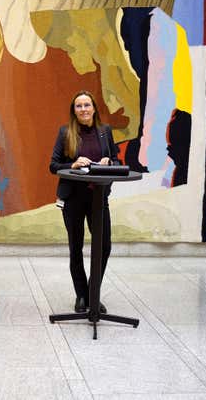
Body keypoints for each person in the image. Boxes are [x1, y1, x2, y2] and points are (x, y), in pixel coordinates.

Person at [49, 90, 120, 313]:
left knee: (104, 246)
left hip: (98, 197)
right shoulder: (65, 132)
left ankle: (93, 293)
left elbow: (117, 160)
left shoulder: (104, 131)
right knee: (76, 247)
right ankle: (81, 295)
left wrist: (109, 162)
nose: (83, 110)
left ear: (94, 108)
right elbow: (53, 165)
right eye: (78, 106)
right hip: (73, 198)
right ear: (74, 111)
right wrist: (73, 164)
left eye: (87, 105)